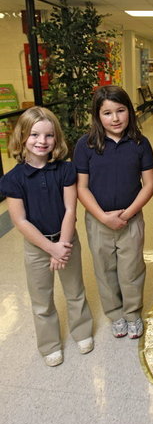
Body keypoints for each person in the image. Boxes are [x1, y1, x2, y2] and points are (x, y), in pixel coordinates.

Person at [0, 107, 93, 367]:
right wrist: (50, 249)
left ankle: (82, 331)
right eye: (34, 135)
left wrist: (62, 245)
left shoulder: (65, 170)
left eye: (49, 135)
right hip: (36, 246)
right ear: (22, 138)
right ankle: (50, 345)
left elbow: (70, 209)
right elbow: (19, 221)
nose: (42, 141)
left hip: (66, 239)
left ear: (56, 139)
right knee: (41, 299)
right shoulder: (13, 179)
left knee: (75, 290)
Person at [73, 85, 153, 340]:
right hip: (98, 220)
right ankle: (115, 314)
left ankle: (132, 314)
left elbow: (150, 185)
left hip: (131, 220)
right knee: (105, 269)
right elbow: (82, 188)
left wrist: (127, 214)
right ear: (98, 116)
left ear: (129, 111)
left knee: (131, 269)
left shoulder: (140, 143)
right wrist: (103, 217)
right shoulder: (85, 145)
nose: (115, 118)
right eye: (107, 113)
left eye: (120, 111)